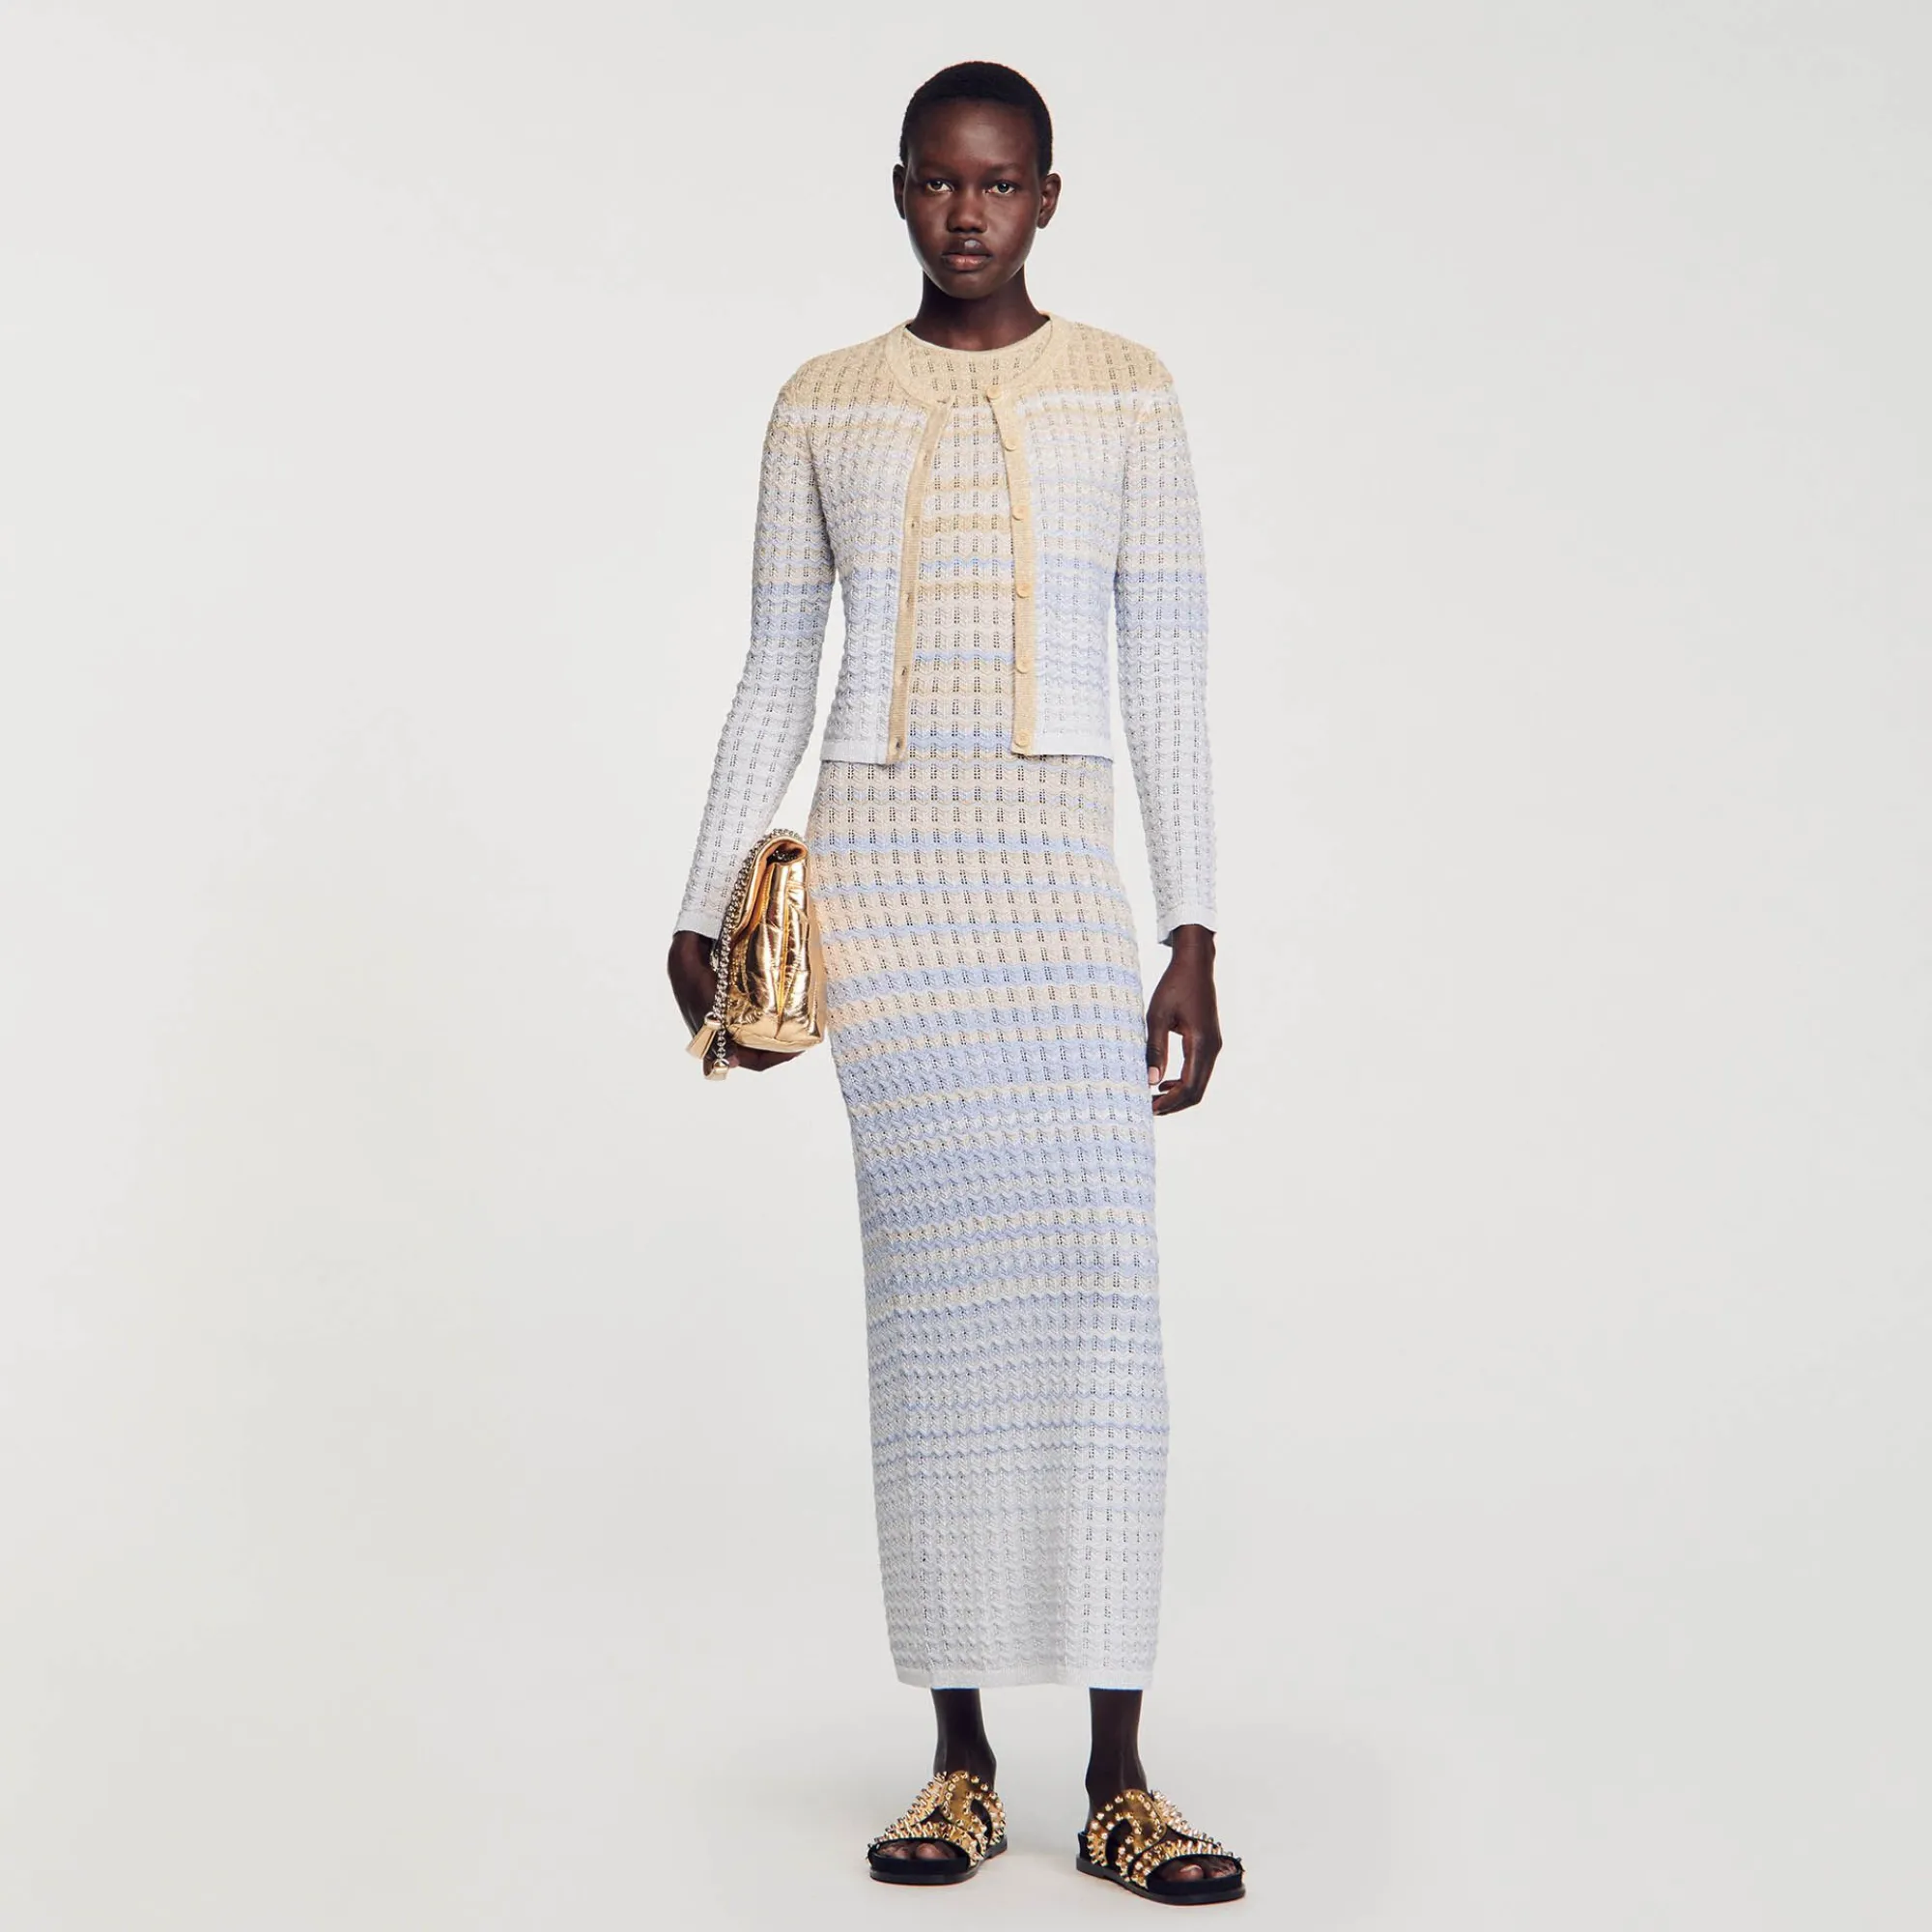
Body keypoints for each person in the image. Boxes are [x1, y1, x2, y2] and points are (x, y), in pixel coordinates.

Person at [668, 60, 1242, 1905]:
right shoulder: (821, 402)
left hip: (1060, 886)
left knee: (1100, 1308)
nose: (967, 213)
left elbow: (1168, 670)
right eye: (937, 181)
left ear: (1048, 197)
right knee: (934, 1326)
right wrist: (699, 899)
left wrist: (1193, 930)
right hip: (890, 890)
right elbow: (777, 662)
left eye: (999, 185)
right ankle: (963, 1763)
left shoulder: (1127, 391)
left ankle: (1122, 1779)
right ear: (900, 188)